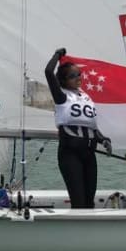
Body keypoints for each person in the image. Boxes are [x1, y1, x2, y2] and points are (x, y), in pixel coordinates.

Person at [45, 47, 112, 209]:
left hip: (89, 154)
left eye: (79, 74)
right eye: (72, 76)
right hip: (70, 154)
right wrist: (57, 55)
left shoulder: (85, 96)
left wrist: (103, 139)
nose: (78, 78)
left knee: (89, 202)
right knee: (79, 202)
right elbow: (48, 72)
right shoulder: (61, 96)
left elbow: (91, 126)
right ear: (63, 80)